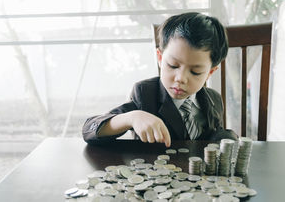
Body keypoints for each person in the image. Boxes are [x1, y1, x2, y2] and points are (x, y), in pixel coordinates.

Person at [82, 12, 238, 147]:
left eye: (195, 72)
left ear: (210, 72)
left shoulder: (213, 99)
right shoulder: (145, 94)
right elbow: (90, 129)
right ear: (160, 58)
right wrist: (132, 117)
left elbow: (215, 137)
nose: (180, 78)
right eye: (172, 65)